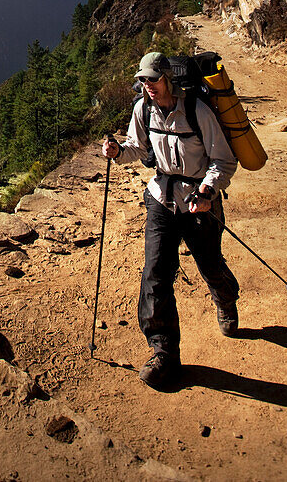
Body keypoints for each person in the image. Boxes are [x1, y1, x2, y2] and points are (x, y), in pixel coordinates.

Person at [102, 51, 239, 389]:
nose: (147, 85)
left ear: (167, 78)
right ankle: (164, 353)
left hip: (198, 203)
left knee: (209, 263)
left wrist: (207, 193)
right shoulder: (142, 109)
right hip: (161, 198)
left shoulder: (197, 110)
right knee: (156, 272)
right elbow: (139, 148)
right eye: (143, 80)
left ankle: (225, 296)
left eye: (152, 78)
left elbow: (224, 160)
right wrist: (119, 152)